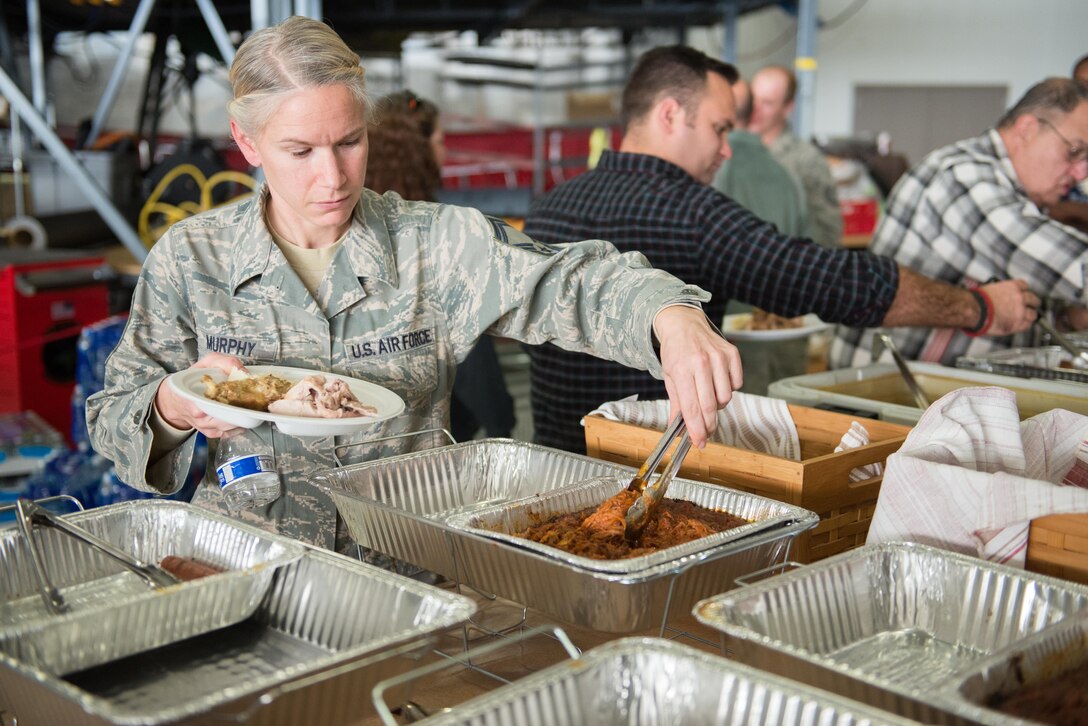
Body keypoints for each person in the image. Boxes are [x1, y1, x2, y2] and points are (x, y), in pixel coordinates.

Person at [85, 18, 742, 549]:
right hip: (250, 566)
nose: (333, 177)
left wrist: (670, 316)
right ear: (246, 141)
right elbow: (113, 420)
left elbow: (567, 278)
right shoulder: (192, 259)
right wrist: (172, 406)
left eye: (349, 142)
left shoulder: (432, 245)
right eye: (300, 151)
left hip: (407, 569)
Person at [524, 45, 1039, 454]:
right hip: (658, 475)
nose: (727, 149)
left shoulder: (547, 207)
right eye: (720, 128)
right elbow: (836, 282)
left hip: (555, 461)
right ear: (669, 114)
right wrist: (979, 307)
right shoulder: (696, 214)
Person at [830, 77, 1088, 369]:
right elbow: (1076, 268)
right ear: (1027, 129)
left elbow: (1020, 309)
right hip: (872, 398)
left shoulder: (1017, 197)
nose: (1081, 173)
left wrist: (1068, 318)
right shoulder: (962, 177)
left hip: (932, 399)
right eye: (1075, 151)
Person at [366, 90, 516, 441]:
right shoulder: (436, 233)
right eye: (440, 140)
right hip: (435, 425)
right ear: (417, 151)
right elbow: (469, 347)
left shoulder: (359, 219)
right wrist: (500, 419)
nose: (444, 151)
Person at [711, 76, 807, 395]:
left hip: (724, 356)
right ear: (753, 115)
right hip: (785, 347)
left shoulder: (708, 175)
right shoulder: (789, 177)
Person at [749, 64, 843, 248]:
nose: (756, 109)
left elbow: (829, 232)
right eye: (753, 99)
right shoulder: (729, 149)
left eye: (767, 103)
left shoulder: (807, 160)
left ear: (787, 107)